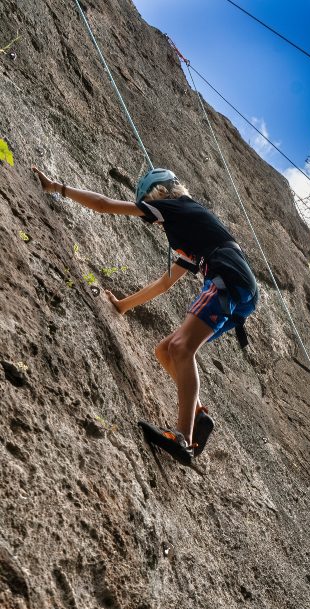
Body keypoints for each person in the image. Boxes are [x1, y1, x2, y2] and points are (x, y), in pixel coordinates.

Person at [32, 165, 258, 465]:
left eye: (148, 205)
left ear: (158, 193)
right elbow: (165, 282)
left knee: (181, 348)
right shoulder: (192, 230)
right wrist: (123, 305)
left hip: (227, 278)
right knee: (166, 351)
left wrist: (56, 188)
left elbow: (104, 205)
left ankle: (181, 439)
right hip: (238, 291)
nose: (150, 222)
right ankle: (199, 417)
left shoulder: (174, 207)